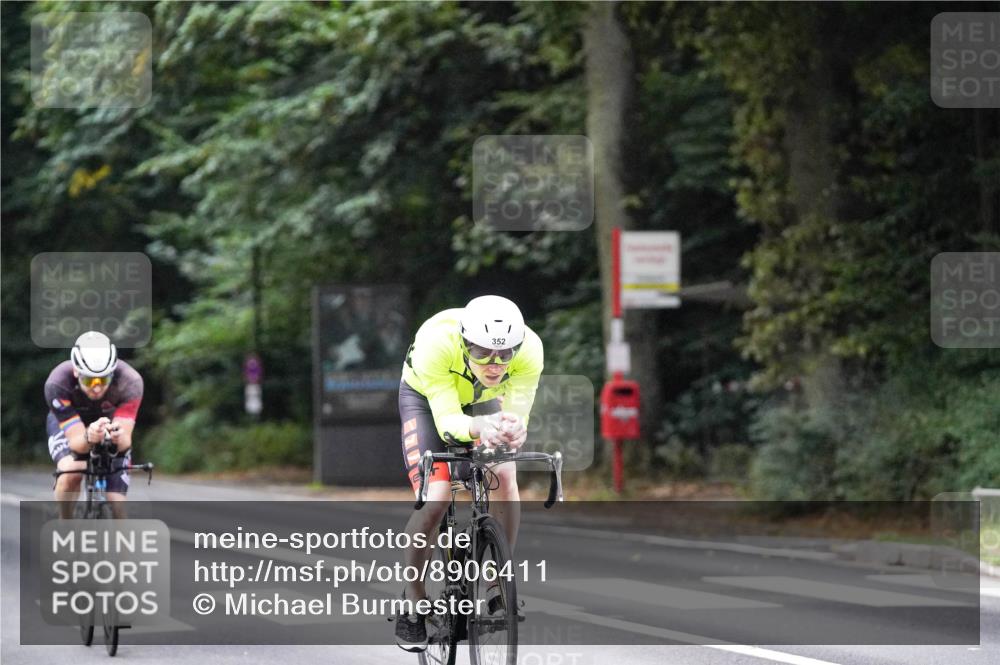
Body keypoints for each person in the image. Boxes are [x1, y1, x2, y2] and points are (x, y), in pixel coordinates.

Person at [394, 295, 543, 652]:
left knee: (505, 475)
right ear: (464, 343)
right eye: (482, 353)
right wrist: (480, 427)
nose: (494, 364)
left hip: (481, 400)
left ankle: (496, 583)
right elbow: (448, 424)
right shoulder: (436, 344)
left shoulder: (530, 349)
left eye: (505, 354)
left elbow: (516, 414)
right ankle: (412, 601)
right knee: (436, 499)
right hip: (427, 399)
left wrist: (514, 429)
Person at [46, 331, 143, 519]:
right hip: (71, 425)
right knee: (71, 472)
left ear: (113, 373)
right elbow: (76, 443)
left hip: (109, 423)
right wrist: (88, 436)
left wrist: (116, 437)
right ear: (76, 372)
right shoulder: (57, 383)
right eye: (90, 380)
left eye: (103, 380)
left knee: (117, 503)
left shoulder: (130, 382)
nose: (97, 387)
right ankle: (64, 524)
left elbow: (124, 443)